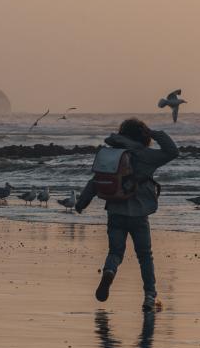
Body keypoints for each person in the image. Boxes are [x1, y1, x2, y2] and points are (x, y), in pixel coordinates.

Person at [76, 118, 178, 311]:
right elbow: (173, 151)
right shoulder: (145, 155)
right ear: (143, 136)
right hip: (139, 214)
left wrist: (83, 201)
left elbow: (96, 179)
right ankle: (149, 296)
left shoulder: (112, 154)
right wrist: (154, 132)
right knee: (145, 256)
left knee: (115, 252)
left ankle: (109, 272)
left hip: (115, 210)